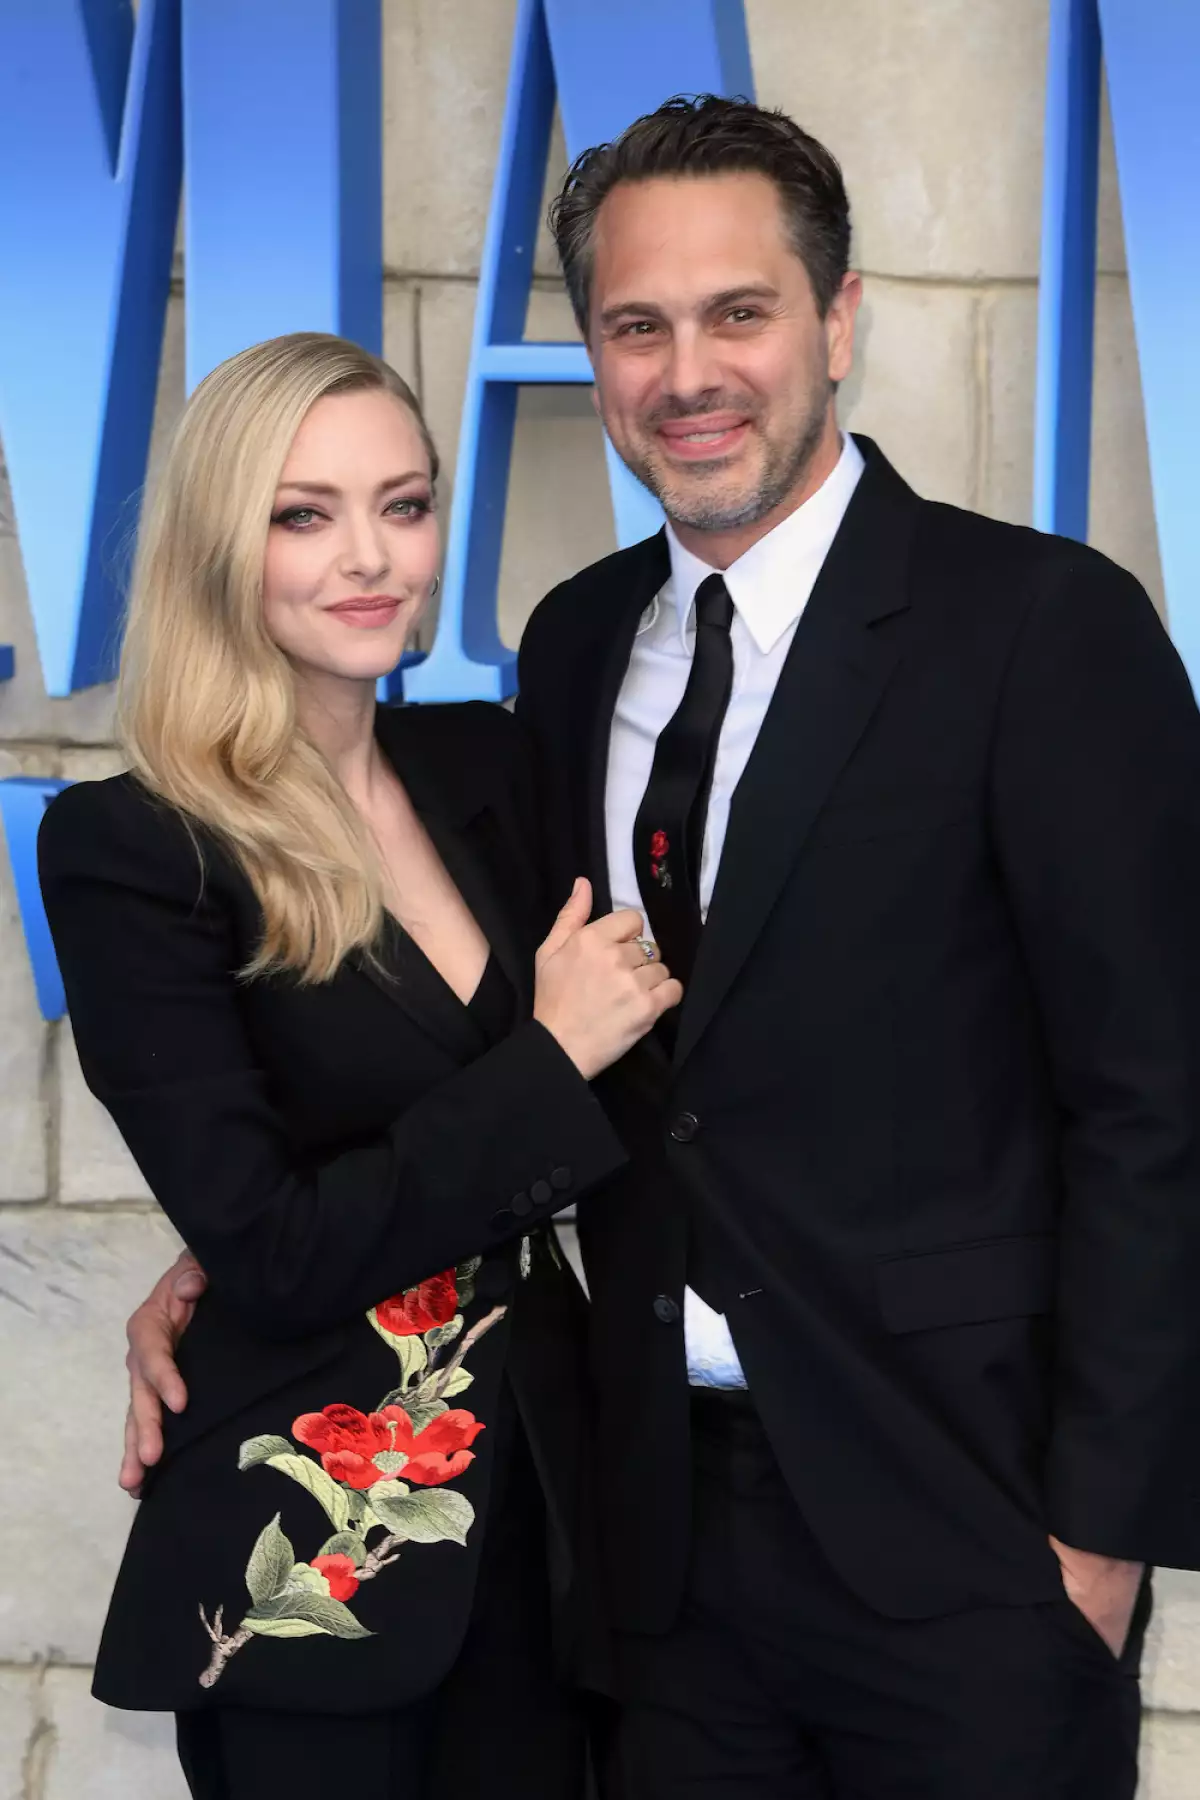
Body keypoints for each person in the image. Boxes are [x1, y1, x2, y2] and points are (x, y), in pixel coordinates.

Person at [119, 98, 1200, 1799]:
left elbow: (1160, 1105)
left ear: (839, 322)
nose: (688, 371)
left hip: (969, 1538)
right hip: (642, 1549)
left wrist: (1102, 1545)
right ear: (597, 362)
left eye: (738, 312)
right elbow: (493, 1040)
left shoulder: (1042, 631)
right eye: (638, 325)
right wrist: (220, 1264)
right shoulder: (569, 651)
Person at [38, 331, 682, 1800]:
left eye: (403, 503)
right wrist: (550, 1054)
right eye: (304, 513)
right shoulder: (138, 850)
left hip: (553, 1532)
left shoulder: (492, 769)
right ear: (221, 547)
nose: (370, 555)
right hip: (318, 1572)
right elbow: (271, 1251)